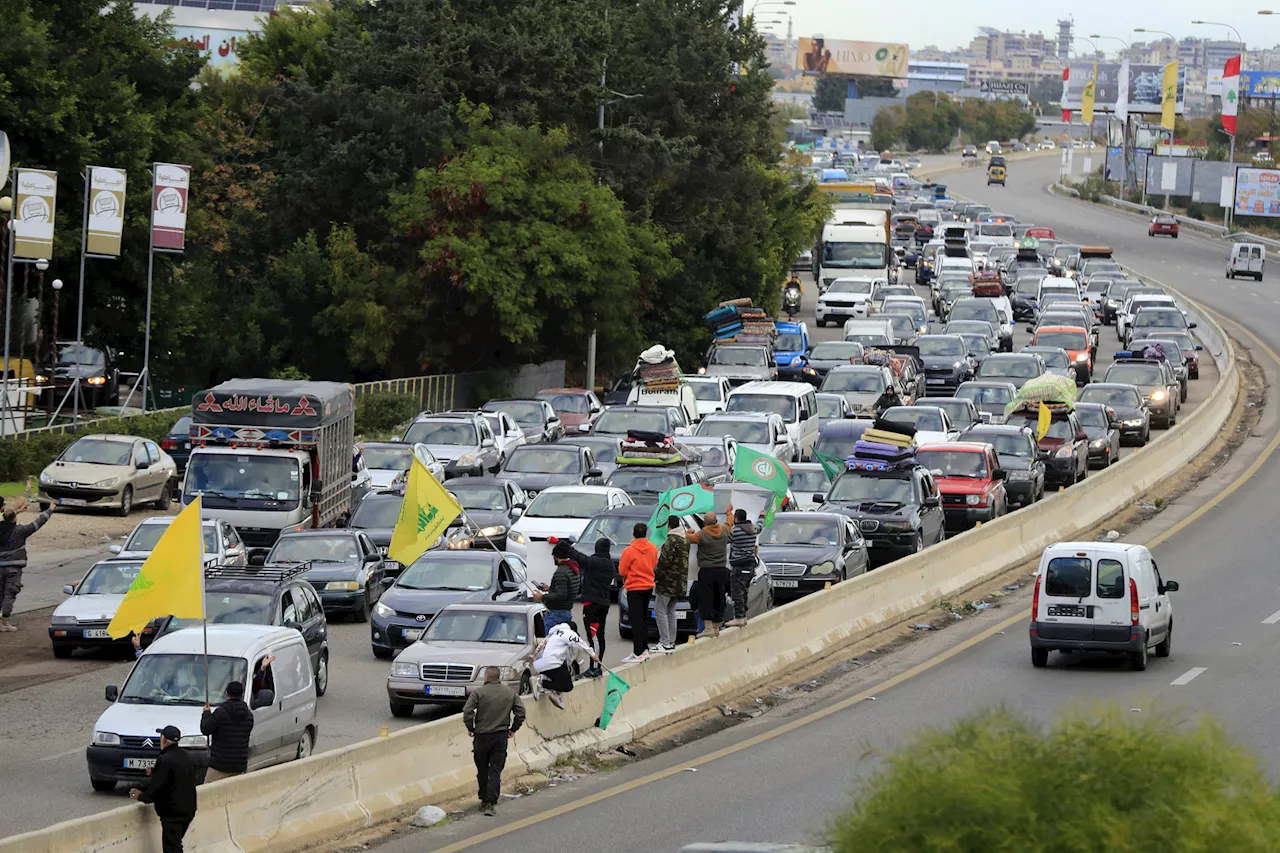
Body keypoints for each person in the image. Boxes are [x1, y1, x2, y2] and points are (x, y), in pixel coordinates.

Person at [461, 666, 526, 817]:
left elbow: (467, 711)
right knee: (495, 769)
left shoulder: (478, 693)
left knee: (482, 769)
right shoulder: (510, 693)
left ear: (486, 677)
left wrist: (471, 727)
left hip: (481, 737)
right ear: (498, 677)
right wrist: (513, 729)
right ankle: (491, 800)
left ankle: (484, 798)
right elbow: (521, 713)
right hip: (500, 737)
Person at [130, 725, 197, 853]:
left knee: (171, 848)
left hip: (172, 813)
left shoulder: (165, 759)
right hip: (188, 810)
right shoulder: (187, 756)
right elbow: (177, 776)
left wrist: (141, 796)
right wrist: (156, 771)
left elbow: (156, 788)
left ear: (164, 740)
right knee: (176, 843)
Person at [0, 499, 55, 631]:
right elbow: (38, 522)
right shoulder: (20, 531)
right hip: (14, 568)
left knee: (0, 594)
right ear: (14, 520)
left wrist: (17, 511)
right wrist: (51, 509)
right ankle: (4, 622)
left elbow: (8, 519)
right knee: (10, 594)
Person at [567, 537, 617, 677]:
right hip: (603, 604)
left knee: (593, 637)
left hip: (592, 605)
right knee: (599, 636)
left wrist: (561, 544)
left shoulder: (594, 562)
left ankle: (595, 668)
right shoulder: (609, 564)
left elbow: (578, 556)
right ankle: (596, 665)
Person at [531, 621, 598, 709]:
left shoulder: (552, 635)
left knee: (563, 670)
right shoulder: (567, 632)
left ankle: (554, 692)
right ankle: (541, 682)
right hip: (550, 662)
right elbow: (579, 643)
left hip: (538, 664)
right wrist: (593, 655)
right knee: (568, 685)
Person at [686, 510, 731, 639]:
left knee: (706, 599)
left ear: (705, 523)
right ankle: (717, 627)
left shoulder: (701, 535)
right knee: (719, 598)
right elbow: (730, 522)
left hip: (706, 571)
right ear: (716, 520)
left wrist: (689, 532)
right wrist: (728, 511)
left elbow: (689, 538)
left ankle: (709, 628)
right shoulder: (724, 531)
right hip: (721, 570)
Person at [617, 522, 658, 663]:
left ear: (634, 534)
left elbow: (622, 570)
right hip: (648, 586)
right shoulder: (652, 548)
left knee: (636, 620)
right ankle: (644, 648)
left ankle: (637, 652)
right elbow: (654, 564)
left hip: (634, 587)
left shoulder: (629, 551)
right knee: (644, 618)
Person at [200, 680, 254, 782]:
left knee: (208, 795)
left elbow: (205, 729)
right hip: (239, 766)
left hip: (219, 766)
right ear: (242, 695)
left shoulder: (220, 713)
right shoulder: (249, 716)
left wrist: (206, 714)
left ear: (226, 694)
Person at [652, 517, 689, 654]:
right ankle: (671, 642)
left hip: (668, 583)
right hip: (680, 583)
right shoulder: (684, 540)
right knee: (671, 612)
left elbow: (663, 563)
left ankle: (664, 642)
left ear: (669, 525)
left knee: (659, 610)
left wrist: (654, 577)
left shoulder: (671, 540)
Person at [726, 508, 765, 628]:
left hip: (739, 565)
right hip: (750, 565)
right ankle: (743, 615)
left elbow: (725, 539)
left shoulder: (735, 531)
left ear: (736, 518)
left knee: (737, 592)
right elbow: (760, 526)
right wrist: (762, 516)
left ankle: (739, 617)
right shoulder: (753, 529)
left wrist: (728, 520)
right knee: (744, 591)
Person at [534, 540, 580, 632]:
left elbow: (561, 595)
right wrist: (550, 588)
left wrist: (542, 596)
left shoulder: (561, 572)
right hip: (566, 611)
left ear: (556, 556)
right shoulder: (573, 568)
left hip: (557, 614)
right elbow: (567, 589)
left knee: (551, 641)